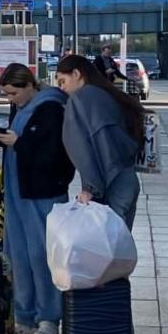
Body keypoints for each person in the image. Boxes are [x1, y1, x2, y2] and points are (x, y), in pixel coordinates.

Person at [0, 63, 73, 334]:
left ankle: (48, 317)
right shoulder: (25, 107)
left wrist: (18, 143)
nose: (10, 100)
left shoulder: (51, 108)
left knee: (42, 255)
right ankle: (25, 315)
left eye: (13, 93)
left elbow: (54, 153)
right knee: (18, 255)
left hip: (43, 192)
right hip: (19, 191)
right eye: (7, 95)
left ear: (29, 86)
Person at [54, 53, 147, 227]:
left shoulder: (80, 100)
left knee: (104, 248)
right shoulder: (109, 94)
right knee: (120, 246)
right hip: (127, 178)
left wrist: (90, 188)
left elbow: (82, 149)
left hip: (108, 181)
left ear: (76, 74)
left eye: (62, 81)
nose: (62, 89)